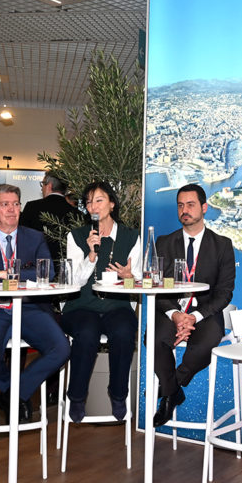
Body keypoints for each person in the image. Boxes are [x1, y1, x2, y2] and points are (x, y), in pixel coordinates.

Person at [0, 184, 70, 423]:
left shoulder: (35, 237)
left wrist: (2, 273)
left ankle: (13, 395)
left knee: (61, 349)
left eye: (16, 204)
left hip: (30, 308)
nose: (12, 210)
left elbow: (47, 272)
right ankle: (17, 393)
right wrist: (20, 273)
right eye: (5, 204)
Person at [152, 184, 236, 428]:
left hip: (204, 313)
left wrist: (194, 317)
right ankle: (172, 392)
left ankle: (170, 389)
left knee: (206, 345)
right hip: (171, 311)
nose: (184, 210)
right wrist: (175, 314)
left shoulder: (222, 245)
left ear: (204, 207)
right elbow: (156, 285)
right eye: (180, 205)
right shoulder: (164, 243)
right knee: (154, 340)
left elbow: (224, 292)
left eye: (190, 205)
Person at [61, 181, 140, 422]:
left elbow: (139, 281)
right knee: (87, 332)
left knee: (124, 330)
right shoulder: (76, 236)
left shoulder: (130, 237)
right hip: (81, 306)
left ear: (112, 204)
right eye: (88, 202)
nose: (93, 206)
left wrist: (129, 277)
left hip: (117, 305)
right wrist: (91, 255)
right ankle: (76, 397)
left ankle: (118, 393)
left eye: (99, 200)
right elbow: (74, 281)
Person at [20, 173, 76, 258]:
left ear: (49, 186)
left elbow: (22, 237)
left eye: (43, 184)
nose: (42, 188)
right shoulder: (76, 213)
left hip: (36, 261)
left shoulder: (32, 207)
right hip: (65, 262)